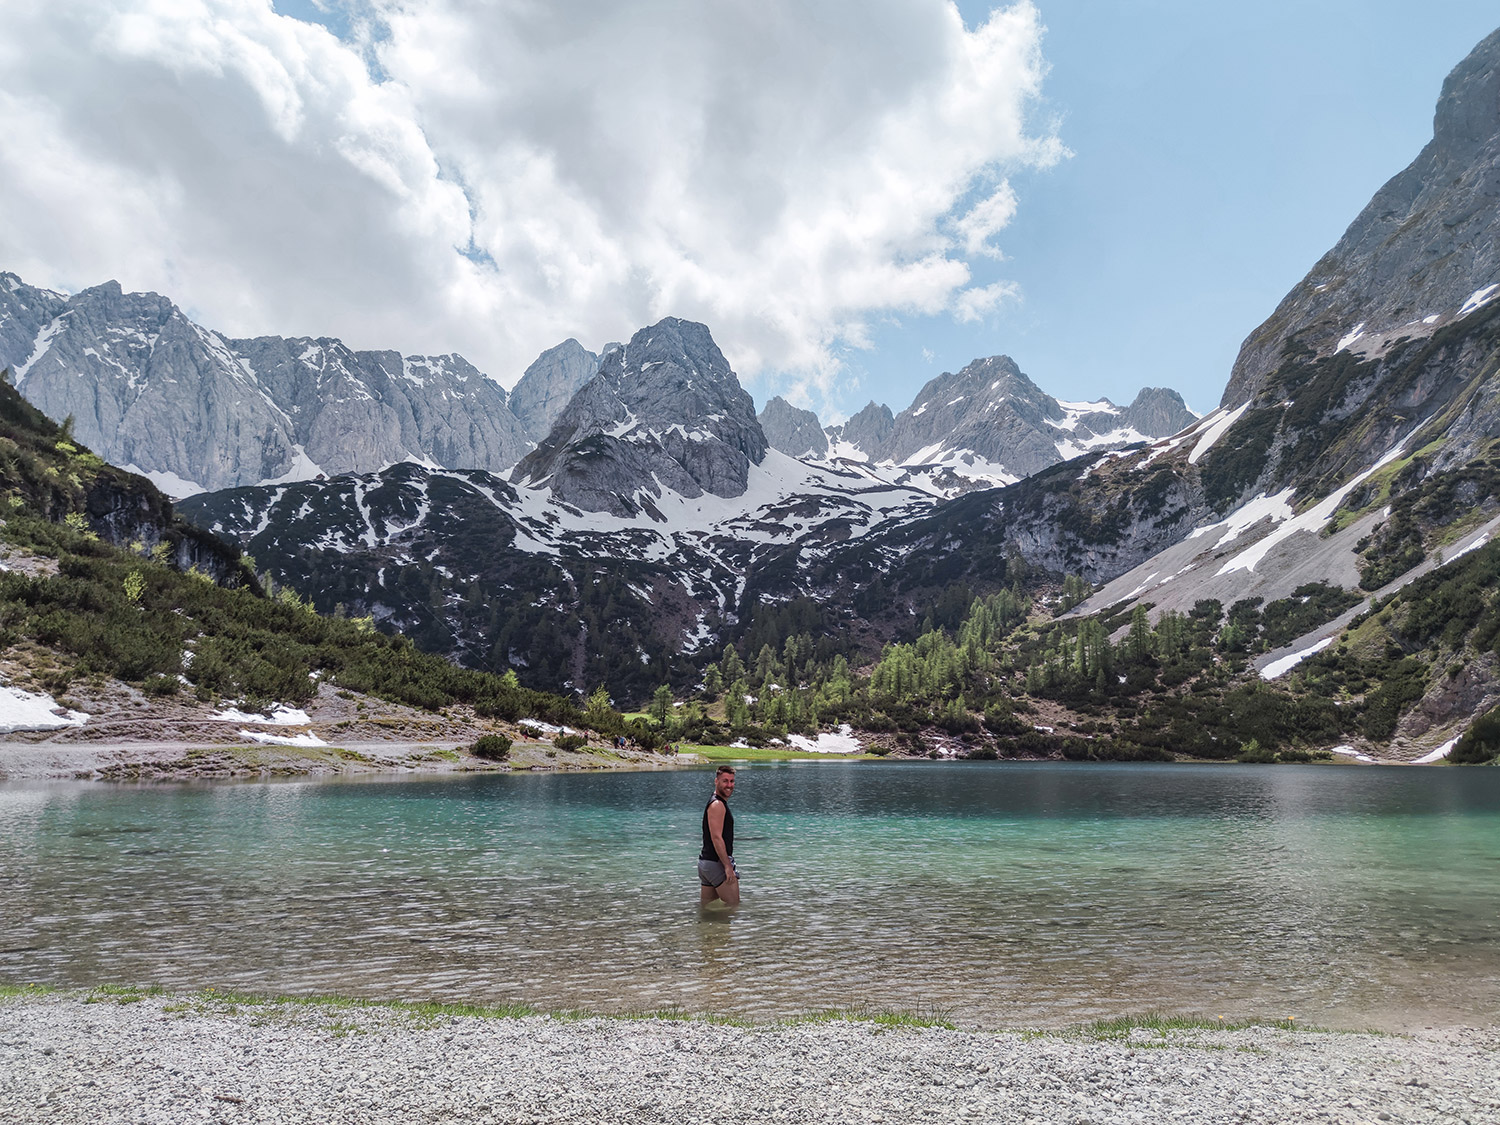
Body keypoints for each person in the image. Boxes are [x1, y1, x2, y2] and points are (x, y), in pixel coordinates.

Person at [698, 765, 739, 906]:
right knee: (734, 906)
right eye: (725, 781)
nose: (729, 785)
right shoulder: (717, 804)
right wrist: (728, 867)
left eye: (732, 781)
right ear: (716, 781)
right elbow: (716, 838)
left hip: (707, 864)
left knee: (707, 911)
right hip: (717, 863)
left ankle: (706, 928)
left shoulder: (715, 802)